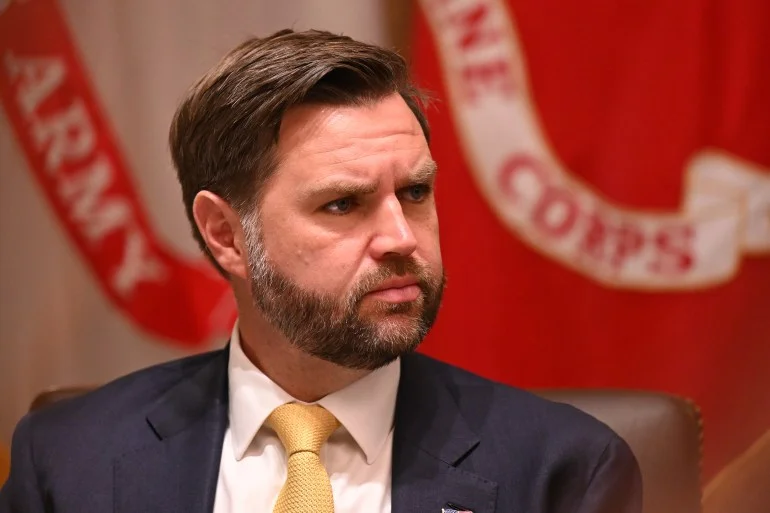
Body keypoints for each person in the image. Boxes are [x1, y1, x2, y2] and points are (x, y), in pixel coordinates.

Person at [0, 29, 642, 513]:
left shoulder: (563, 471)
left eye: (415, 193)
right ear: (226, 234)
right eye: (343, 203)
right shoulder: (67, 461)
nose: (400, 238)